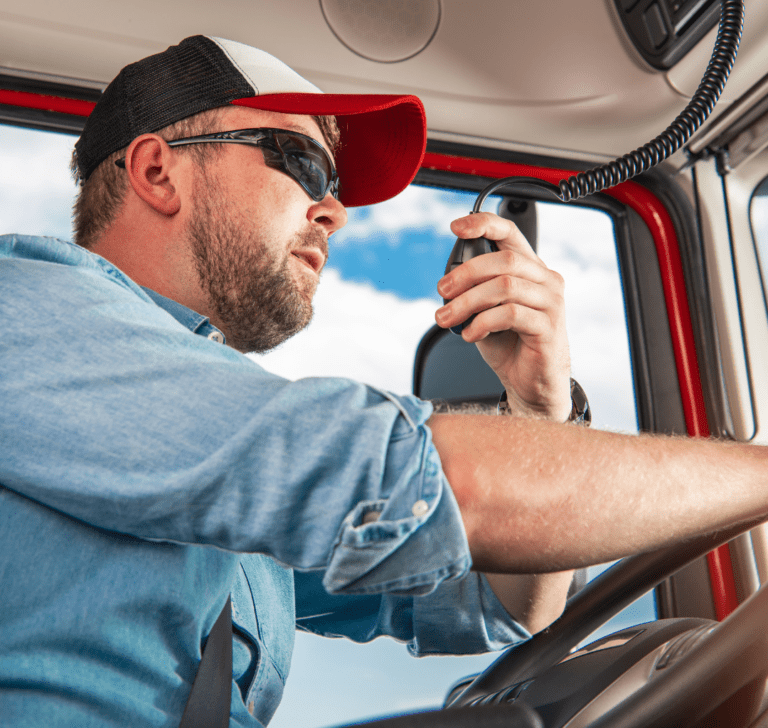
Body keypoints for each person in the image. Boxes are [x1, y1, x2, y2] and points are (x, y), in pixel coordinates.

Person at [1, 35, 767, 728]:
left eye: (333, 182)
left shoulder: (203, 445)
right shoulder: (23, 313)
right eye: (302, 164)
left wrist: (540, 403)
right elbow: (459, 492)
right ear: (157, 171)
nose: (334, 211)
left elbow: (503, 605)